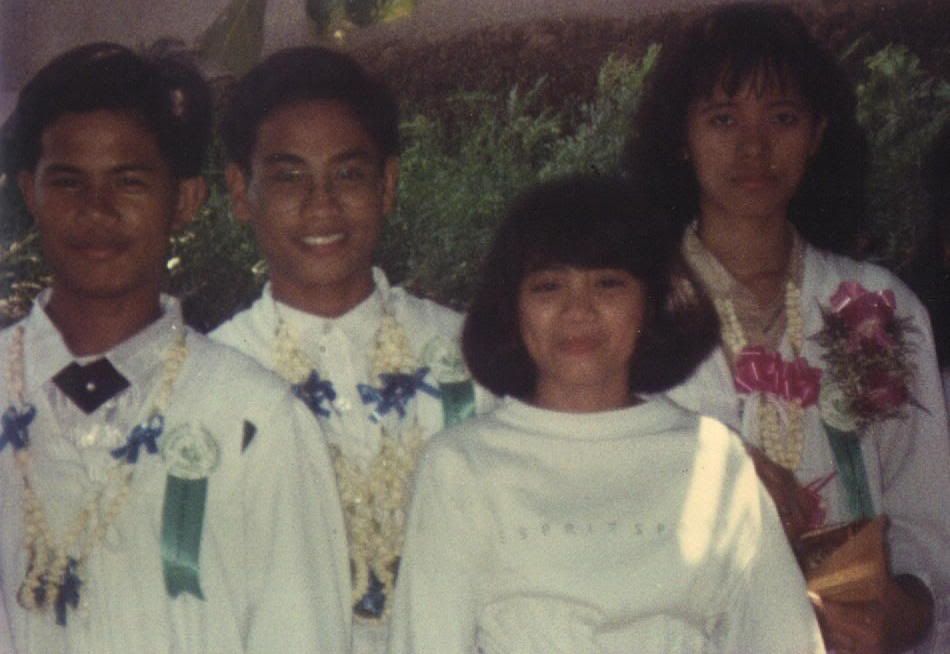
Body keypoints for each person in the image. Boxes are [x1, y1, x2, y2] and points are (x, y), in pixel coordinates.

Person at [0, 43, 350, 652]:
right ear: (31, 193)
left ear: (185, 199)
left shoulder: (256, 420)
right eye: (68, 182)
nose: (97, 210)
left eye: (128, 182)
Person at [623, 4, 950, 652]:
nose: (753, 147)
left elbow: (929, 524)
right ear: (682, 137)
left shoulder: (878, 308)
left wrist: (904, 610)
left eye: (782, 117)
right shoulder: (629, 306)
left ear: (818, 131)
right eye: (723, 118)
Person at [387, 175, 826, 653]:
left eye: (608, 284)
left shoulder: (714, 459)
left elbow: (785, 642)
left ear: (652, 301)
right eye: (549, 286)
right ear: (512, 308)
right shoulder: (460, 466)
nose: (579, 310)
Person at [211, 46, 491, 654]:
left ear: (387, 184)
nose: (321, 205)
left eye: (348, 174)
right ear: (240, 191)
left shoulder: (473, 354)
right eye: (288, 177)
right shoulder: (210, 381)